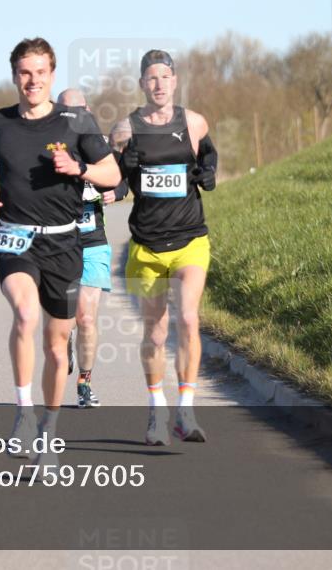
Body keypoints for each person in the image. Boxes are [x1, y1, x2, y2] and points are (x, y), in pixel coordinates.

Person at [0, 38, 120, 460]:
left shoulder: (76, 124)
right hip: (15, 236)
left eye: (40, 72)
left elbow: (111, 172)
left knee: (57, 347)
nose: (32, 80)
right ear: (14, 75)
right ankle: (23, 414)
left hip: (65, 240)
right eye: (24, 72)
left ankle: (49, 429)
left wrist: (80, 168)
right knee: (24, 312)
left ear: (52, 75)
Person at [111, 50, 217, 445]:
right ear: (142, 84)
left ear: (175, 81)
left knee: (188, 319)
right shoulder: (124, 129)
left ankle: (185, 411)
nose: (158, 84)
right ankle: (157, 409)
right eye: (151, 78)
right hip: (147, 245)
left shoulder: (193, 122)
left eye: (165, 77)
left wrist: (208, 171)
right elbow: (114, 180)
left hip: (190, 238)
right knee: (155, 335)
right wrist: (126, 173)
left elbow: (208, 152)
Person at [56, 88, 129, 409]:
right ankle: (65, 340)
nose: (71, 115)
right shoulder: (49, 148)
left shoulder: (96, 146)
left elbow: (124, 175)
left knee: (86, 318)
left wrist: (119, 191)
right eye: (64, 109)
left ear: (87, 109)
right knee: (63, 321)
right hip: (57, 245)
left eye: (78, 108)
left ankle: (85, 383)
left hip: (92, 242)